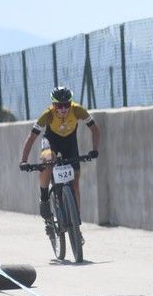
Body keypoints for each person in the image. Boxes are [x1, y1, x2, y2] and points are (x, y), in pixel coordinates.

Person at [18, 87, 100, 240]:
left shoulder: (78, 110)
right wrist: (23, 160)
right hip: (51, 141)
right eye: (58, 105)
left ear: (71, 103)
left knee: (75, 184)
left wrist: (95, 150)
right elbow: (31, 137)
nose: (63, 109)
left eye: (66, 105)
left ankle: (76, 227)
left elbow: (95, 129)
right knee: (48, 160)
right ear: (53, 105)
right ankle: (44, 197)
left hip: (70, 143)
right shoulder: (47, 114)